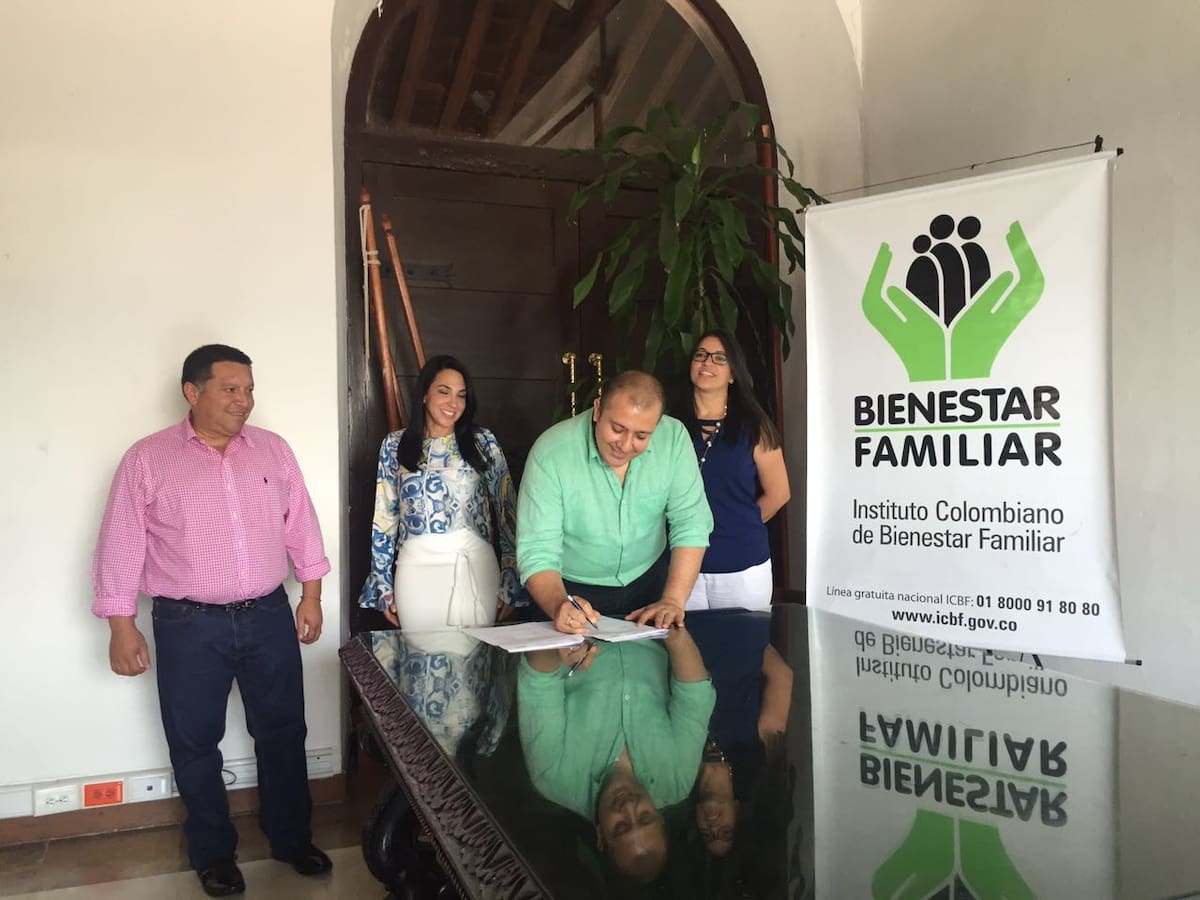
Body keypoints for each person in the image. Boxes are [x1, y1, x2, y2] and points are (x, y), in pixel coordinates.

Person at [91, 344, 333, 897]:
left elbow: (303, 524)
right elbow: (121, 544)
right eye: (230, 389)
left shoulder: (272, 451)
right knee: (195, 741)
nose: (244, 400)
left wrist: (311, 595)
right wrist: (121, 625)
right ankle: (213, 854)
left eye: (249, 389)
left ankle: (291, 839)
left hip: (269, 615)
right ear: (192, 392)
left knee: (283, 733)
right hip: (187, 624)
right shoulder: (147, 459)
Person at [517, 370, 713, 634]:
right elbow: (537, 550)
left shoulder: (673, 439)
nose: (626, 444)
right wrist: (558, 604)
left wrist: (673, 600)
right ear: (597, 410)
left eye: (642, 436)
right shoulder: (552, 453)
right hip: (569, 591)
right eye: (617, 429)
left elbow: (691, 522)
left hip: (649, 587)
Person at [518, 628, 716, 883]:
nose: (629, 808)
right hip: (650, 621)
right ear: (661, 820)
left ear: (601, 836)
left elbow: (537, 681)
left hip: (575, 622)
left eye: (620, 827)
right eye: (645, 817)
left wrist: (558, 644)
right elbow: (695, 697)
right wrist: (674, 633)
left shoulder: (553, 776)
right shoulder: (678, 780)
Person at [358, 355, 519, 629]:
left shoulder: (483, 442)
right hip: (416, 567)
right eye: (443, 392)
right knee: (419, 659)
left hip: (475, 565)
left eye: (461, 395)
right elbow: (385, 519)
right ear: (424, 395)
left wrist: (511, 576)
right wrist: (382, 581)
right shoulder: (395, 445)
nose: (453, 403)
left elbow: (507, 512)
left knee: (476, 662)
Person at [677, 331, 790, 611]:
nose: (707, 363)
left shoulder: (754, 426)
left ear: (732, 373)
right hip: (680, 567)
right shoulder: (669, 424)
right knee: (685, 650)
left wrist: (739, 525)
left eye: (719, 358)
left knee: (743, 650)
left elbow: (779, 493)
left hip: (742, 566)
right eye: (700, 355)